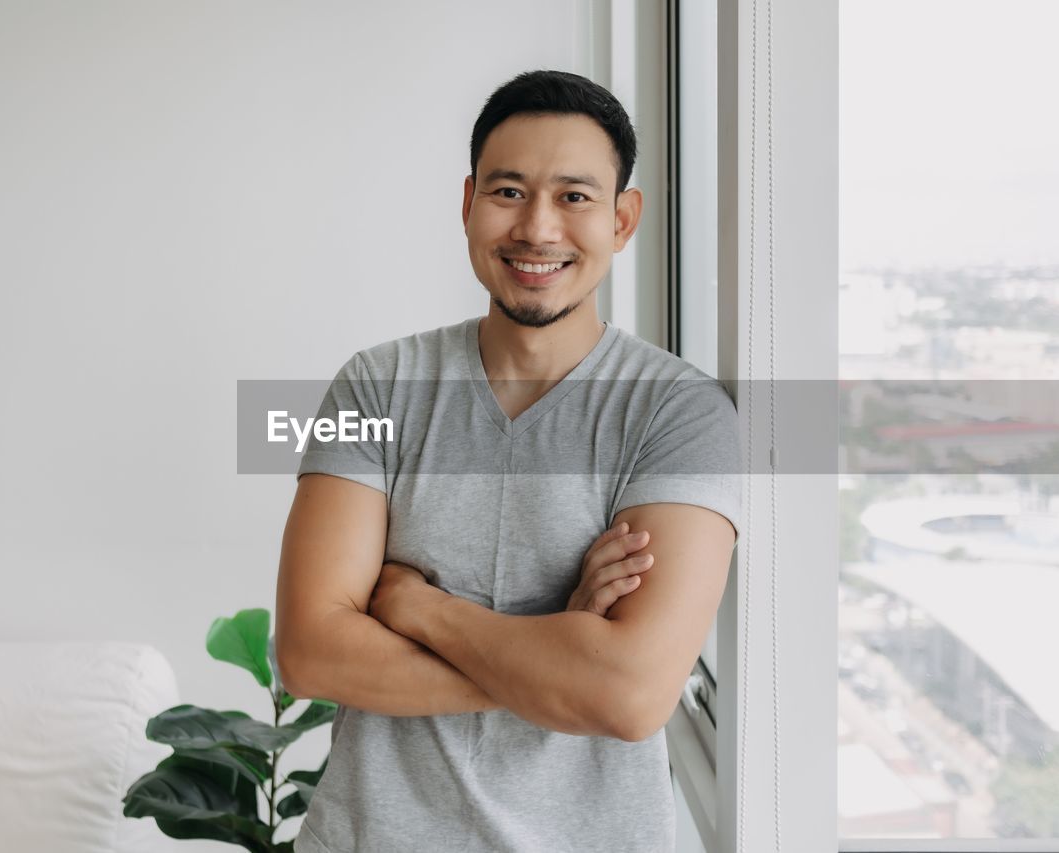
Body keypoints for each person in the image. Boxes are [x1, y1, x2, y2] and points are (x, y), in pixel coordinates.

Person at [275, 69, 741, 853]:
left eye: (575, 197)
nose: (538, 228)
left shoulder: (679, 412)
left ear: (624, 219)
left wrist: (422, 609)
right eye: (508, 192)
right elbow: (312, 652)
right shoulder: (377, 386)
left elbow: (629, 694)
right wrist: (563, 654)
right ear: (467, 206)